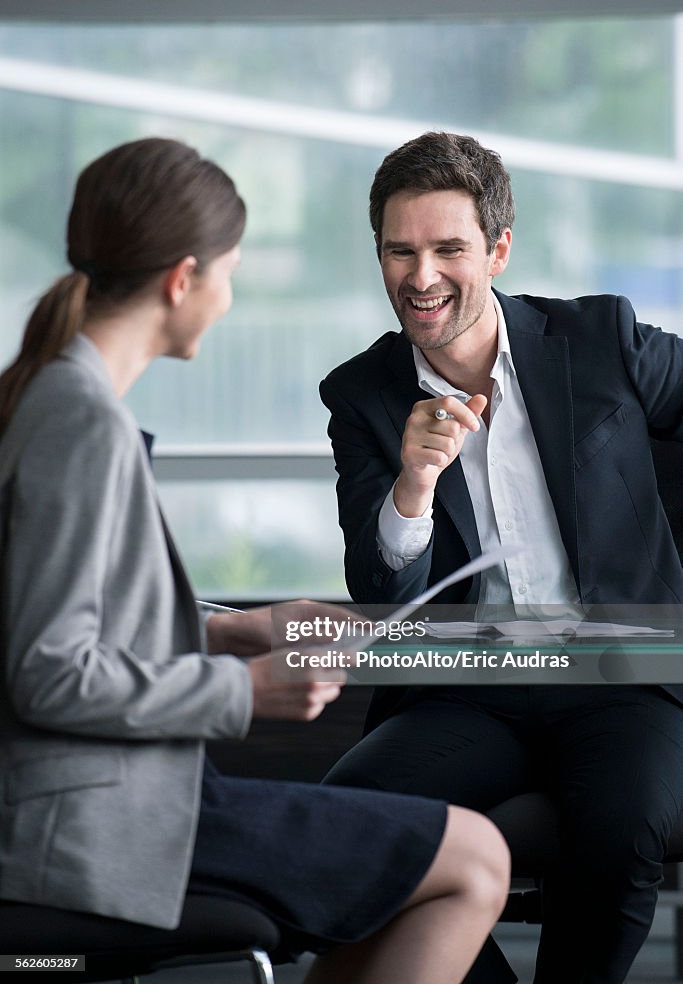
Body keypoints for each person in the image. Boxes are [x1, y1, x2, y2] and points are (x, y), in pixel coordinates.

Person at [0, 137, 510, 984]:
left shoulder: (49, 397)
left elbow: (59, 623)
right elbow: (48, 672)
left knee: (434, 860)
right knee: (475, 860)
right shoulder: (81, 423)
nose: (228, 298)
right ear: (180, 280)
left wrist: (243, 631)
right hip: (103, 824)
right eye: (228, 273)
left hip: (120, 804)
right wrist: (245, 688)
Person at [319, 131, 683, 984]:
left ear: (498, 249)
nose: (421, 277)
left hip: (620, 672)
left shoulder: (601, 340)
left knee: (619, 828)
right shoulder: (363, 394)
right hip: (469, 684)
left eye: (448, 248)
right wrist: (412, 482)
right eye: (399, 251)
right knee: (341, 828)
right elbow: (381, 592)